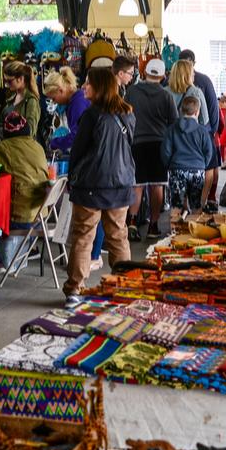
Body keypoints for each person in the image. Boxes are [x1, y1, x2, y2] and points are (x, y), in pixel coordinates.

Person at [64, 63, 136, 297]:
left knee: (84, 237)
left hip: (90, 186)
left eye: (88, 83)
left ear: (99, 87)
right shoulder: (127, 113)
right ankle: (124, 287)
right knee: (118, 237)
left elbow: (78, 150)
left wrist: (72, 178)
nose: (84, 86)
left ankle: (75, 289)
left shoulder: (91, 115)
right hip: (121, 183)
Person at [0, 111, 53, 270]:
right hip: (41, 216)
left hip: (22, 219)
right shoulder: (37, 146)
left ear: (4, 133)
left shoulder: (3, 148)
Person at [123, 57, 179, 240]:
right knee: (157, 186)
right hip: (159, 145)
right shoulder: (166, 96)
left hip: (136, 144)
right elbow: (174, 123)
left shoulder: (131, 92)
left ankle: (131, 222)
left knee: (136, 185)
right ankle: (153, 226)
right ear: (163, 76)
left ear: (145, 72)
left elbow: (124, 115)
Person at [178, 49, 221, 212]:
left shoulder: (169, 83)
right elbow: (212, 110)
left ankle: (184, 206)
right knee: (207, 168)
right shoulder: (202, 81)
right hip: (202, 133)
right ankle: (200, 204)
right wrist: (211, 132)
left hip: (179, 135)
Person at [162, 94, 216, 222]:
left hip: (177, 170)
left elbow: (166, 151)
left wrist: (169, 165)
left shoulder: (172, 129)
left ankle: (174, 234)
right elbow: (209, 152)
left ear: (181, 110)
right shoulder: (202, 131)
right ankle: (195, 233)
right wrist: (202, 165)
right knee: (196, 205)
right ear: (197, 112)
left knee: (176, 205)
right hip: (197, 171)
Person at [42, 65, 84, 152]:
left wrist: (55, 143)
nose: (54, 102)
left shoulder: (77, 104)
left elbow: (77, 137)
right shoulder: (77, 99)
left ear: (60, 91)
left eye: (54, 98)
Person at [0, 60, 40, 142]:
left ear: (21, 79)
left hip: (23, 149)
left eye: (9, 81)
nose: (6, 84)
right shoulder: (11, 99)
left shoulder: (31, 101)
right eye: (5, 81)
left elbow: (30, 131)